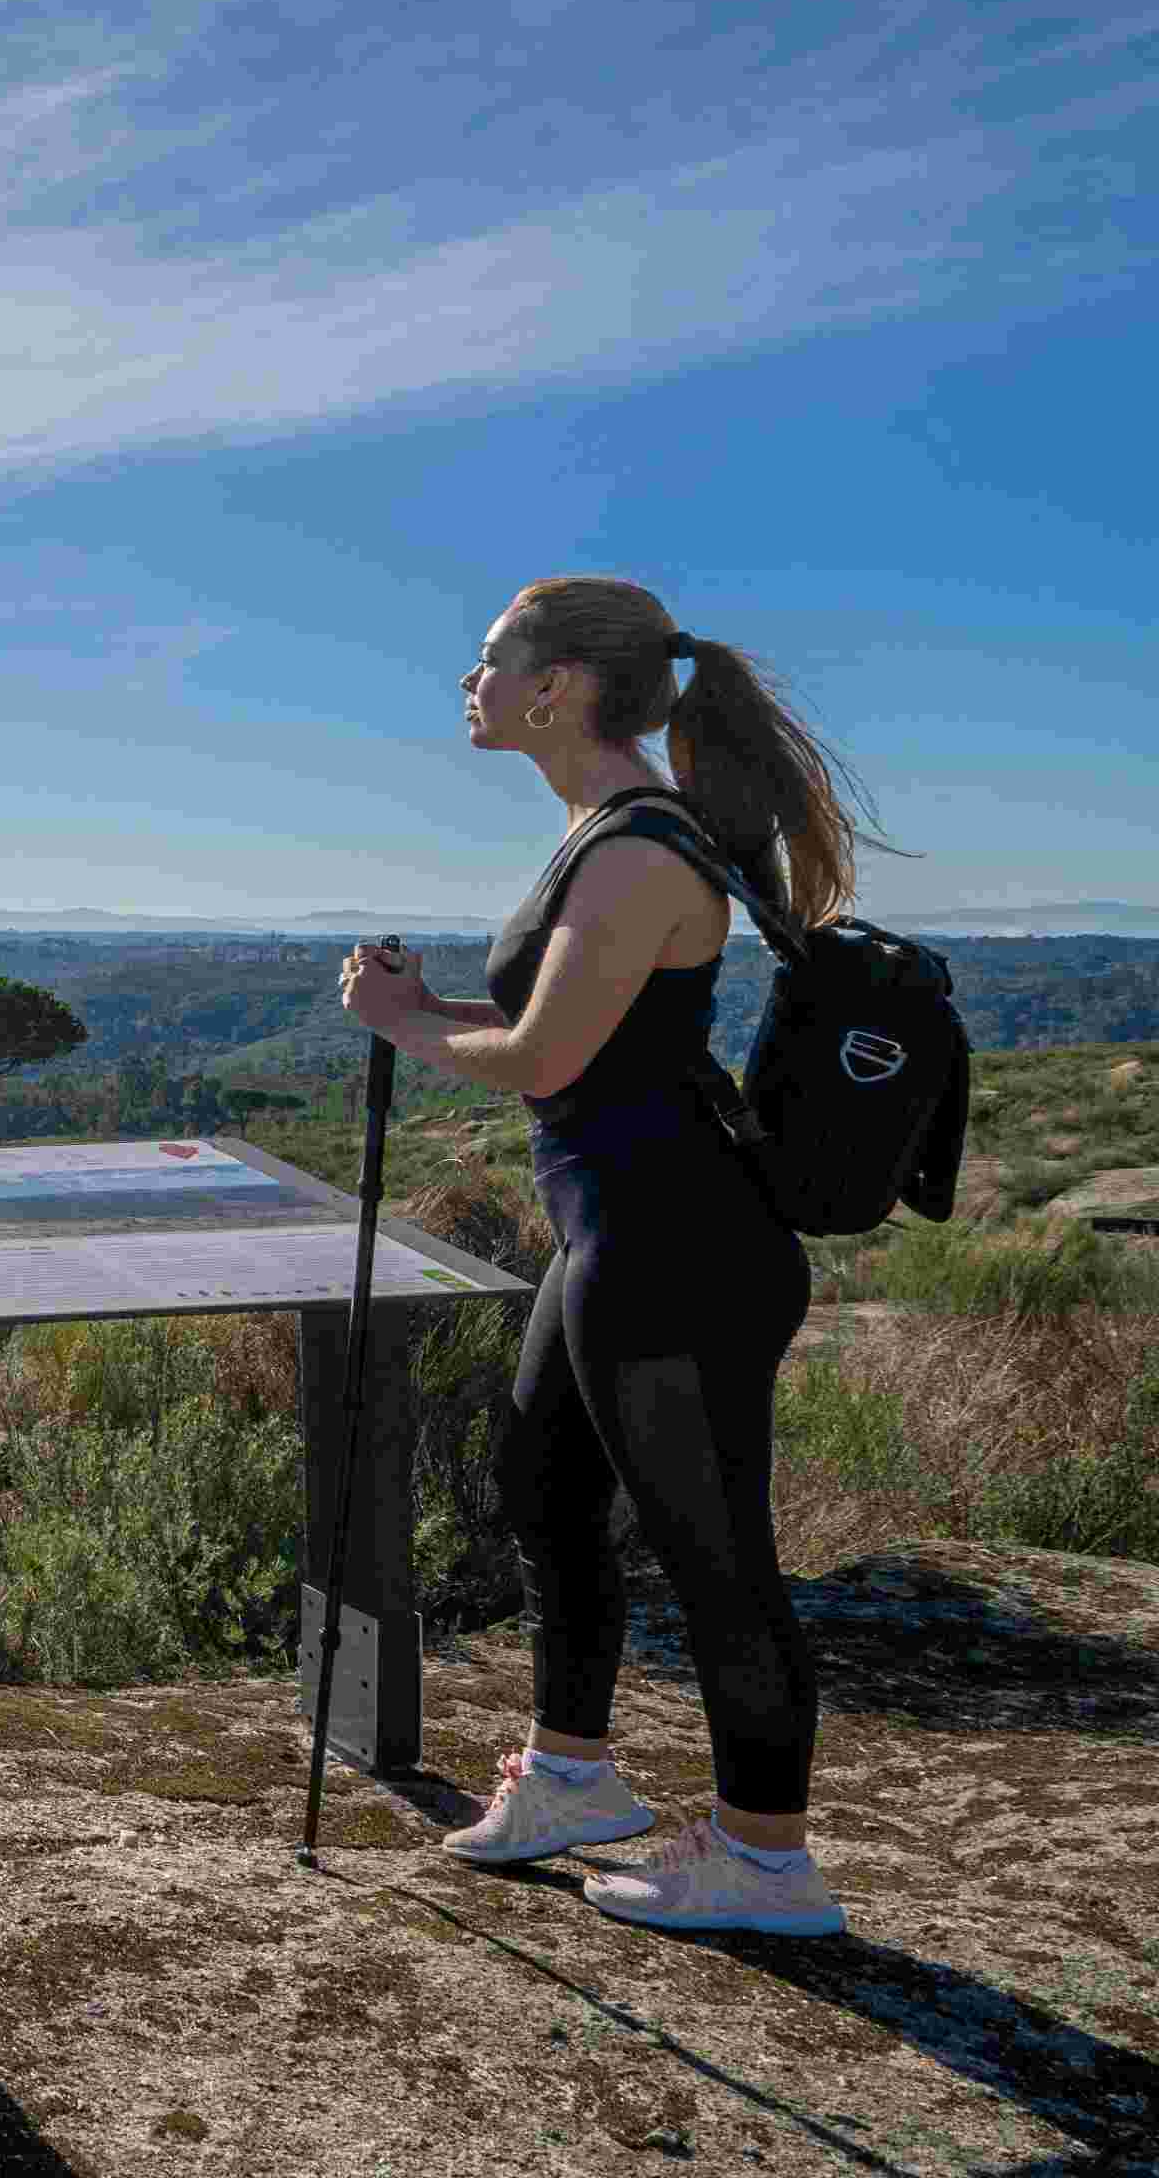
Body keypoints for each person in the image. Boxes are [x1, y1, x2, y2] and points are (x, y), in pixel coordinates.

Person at [334, 573, 911, 1938]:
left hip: (675, 1248)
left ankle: (768, 1862)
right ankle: (576, 1779)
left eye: (488, 658)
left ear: (558, 686)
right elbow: (578, 1022)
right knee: (541, 1484)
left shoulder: (639, 850)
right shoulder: (608, 833)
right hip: (625, 1232)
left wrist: (400, 1027)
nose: (468, 682)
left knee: (715, 1556)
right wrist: (428, 1006)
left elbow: (541, 1057)